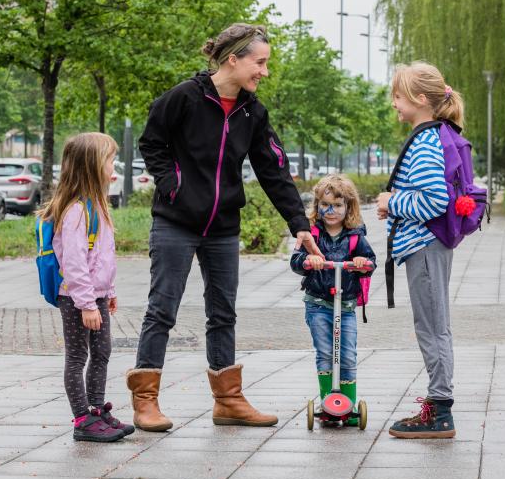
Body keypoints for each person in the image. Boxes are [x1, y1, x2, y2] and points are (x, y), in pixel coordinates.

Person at [127, 23, 322, 431]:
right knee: (162, 309)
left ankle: (228, 400)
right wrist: (172, 184)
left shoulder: (253, 111)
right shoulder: (184, 97)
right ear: (233, 59)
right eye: (260, 62)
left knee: (223, 313)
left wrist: (298, 223)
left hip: (222, 227)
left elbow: (274, 170)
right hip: (175, 222)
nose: (264, 72)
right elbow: (152, 143)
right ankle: (145, 401)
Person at [377, 61, 463, 439]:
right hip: (427, 249)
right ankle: (438, 405)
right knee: (432, 325)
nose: (394, 102)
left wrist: (390, 202)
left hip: (425, 249)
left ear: (421, 99)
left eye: (398, 95)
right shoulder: (431, 135)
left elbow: (434, 201)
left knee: (431, 327)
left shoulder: (426, 141)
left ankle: (439, 411)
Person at [39, 132, 134, 442]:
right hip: (77, 298)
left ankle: (97, 411)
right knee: (78, 357)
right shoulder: (77, 211)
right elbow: (75, 264)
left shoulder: (98, 205)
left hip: (97, 295)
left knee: (103, 351)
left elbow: (103, 256)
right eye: (109, 160)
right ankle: (82, 420)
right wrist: (87, 304)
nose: (113, 166)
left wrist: (110, 290)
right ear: (92, 166)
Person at [290, 175, 375, 425]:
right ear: (317, 206)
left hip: (345, 306)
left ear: (348, 207)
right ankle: (329, 405)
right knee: (326, 353)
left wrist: (361, 263)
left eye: (337, 205)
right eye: (325, 204)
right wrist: (308, 260)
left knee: (347, 355)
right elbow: (296, 260)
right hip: (317, 304)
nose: (331, 210)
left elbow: (370, 262)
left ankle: (347, 407)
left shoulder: (355, 236)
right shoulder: (312, 234)